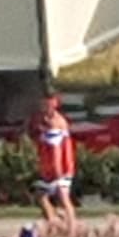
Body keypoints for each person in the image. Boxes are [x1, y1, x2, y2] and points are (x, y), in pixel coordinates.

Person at [30, 94, 77, 226]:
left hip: (60, 167)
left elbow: (56, 149)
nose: (43, 107)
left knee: (62, 197)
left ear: (55, 104)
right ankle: (56, 223)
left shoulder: (55, 123)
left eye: (47, 104)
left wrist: (57, 171)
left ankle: (70, 227)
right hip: (51, 168)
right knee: (42, 195)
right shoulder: (46, 121)